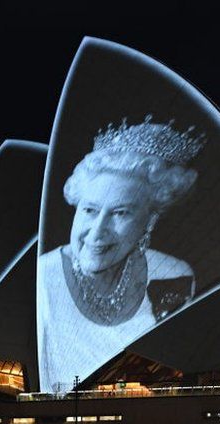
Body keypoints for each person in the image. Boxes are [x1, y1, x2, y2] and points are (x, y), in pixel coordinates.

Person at [38, 116, 204, 390]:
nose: (97, 231)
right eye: (89, 210)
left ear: (149, 221)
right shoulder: (42, 278)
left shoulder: (173, 274)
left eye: (120, 213)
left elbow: (171, 374)